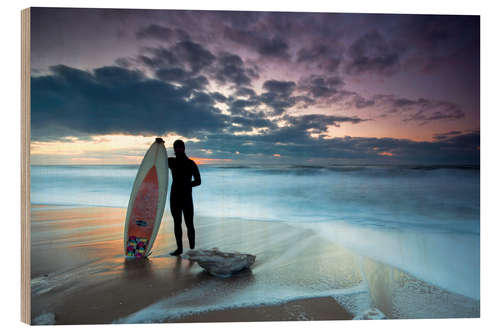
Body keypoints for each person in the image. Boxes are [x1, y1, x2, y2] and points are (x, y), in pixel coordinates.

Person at [168, 139, 201, 256]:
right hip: (174, 197)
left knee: (189, 223)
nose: (177, 149)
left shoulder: (191, 163)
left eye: (179, 147)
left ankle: (192, 249)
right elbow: (158, 160)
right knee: (177, 223)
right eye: (175, 147)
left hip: (186, 197)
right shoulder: (171, 162)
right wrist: (159, 144)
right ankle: (179, 249)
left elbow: (198, 181)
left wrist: (187, 184)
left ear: (183, 148)